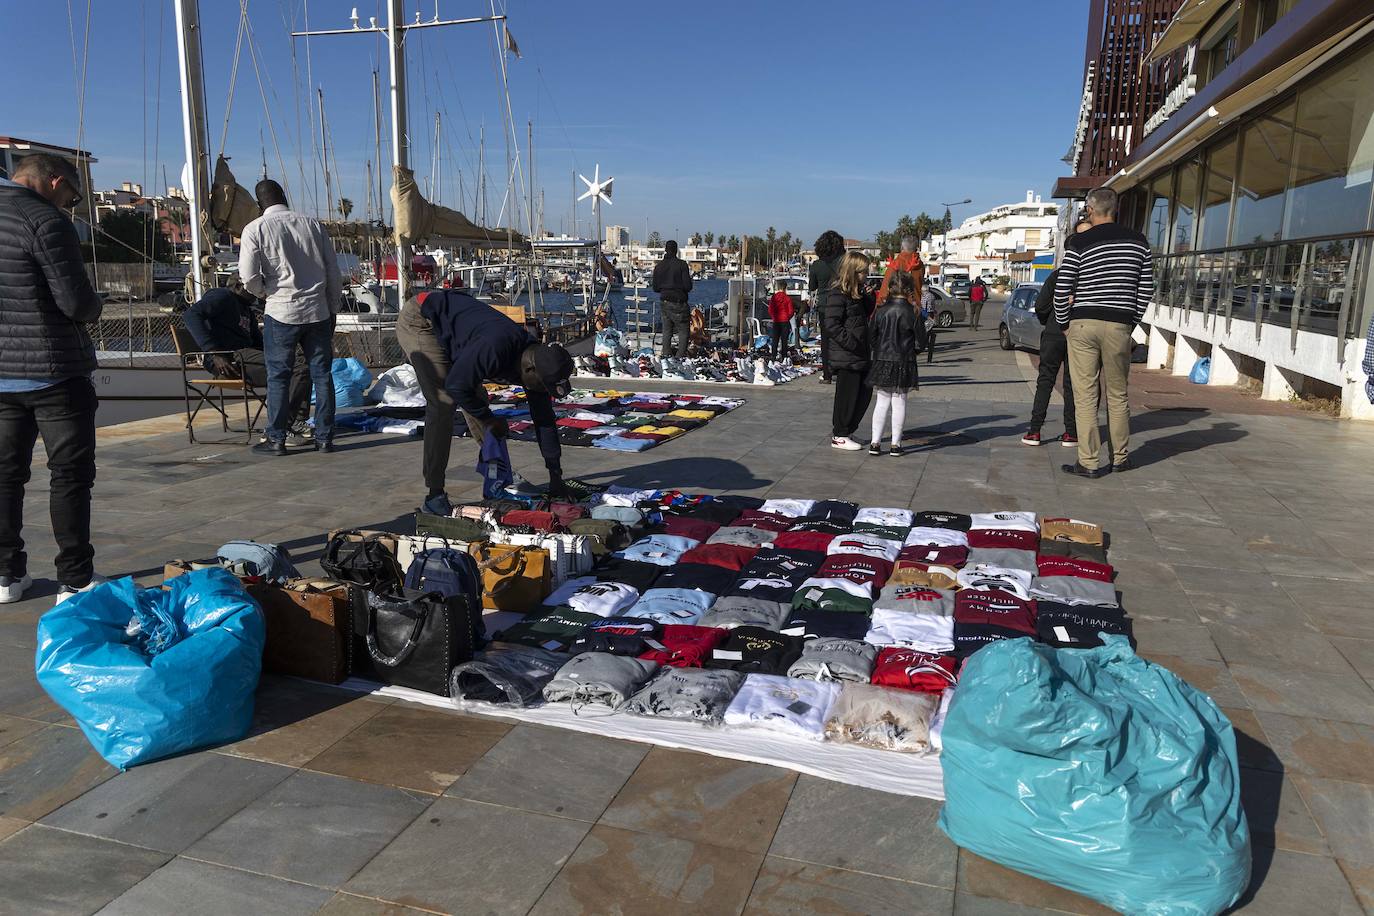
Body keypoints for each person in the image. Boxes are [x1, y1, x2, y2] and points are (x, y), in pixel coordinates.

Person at [0, 153, 105, 604]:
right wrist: (95, 304)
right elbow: (76, 304)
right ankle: (75, 578)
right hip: (54, 371)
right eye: (72, 195)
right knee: (69, 476)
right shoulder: (44, 220)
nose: (71, 204)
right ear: (55, 181)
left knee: (5, 476)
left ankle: (5, 576)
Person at [396, 288, 575, 514]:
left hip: (456, 325)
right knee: (444, 402)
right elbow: (456, 385)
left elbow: (544, 420)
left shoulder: (538, 366)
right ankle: (435, 494)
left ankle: (498, 474)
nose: (540, 391)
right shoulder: (495, 348)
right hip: (422, 320)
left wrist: (555, 475)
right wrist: (488, 418)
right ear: (529, 369)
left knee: (476, 400)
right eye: (542, 387)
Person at [237, 178, 342, 456]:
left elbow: (247, 277)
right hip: (317, 311)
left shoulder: (255, 229)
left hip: (281, 312)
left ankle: (277, 438)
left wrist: (267, 292)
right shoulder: (314, 225)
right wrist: (333, 308)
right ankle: (324, 438)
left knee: (279, 377)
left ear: (260, 204)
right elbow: (333, 270)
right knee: (322, 375)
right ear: (284, 195)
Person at [1054, 187, 1153, 478]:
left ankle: (1089, 461)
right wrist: (1130, 321)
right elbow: (1145, 288)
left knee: (1085, 395)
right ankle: (1120, 458)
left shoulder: (1080, 242)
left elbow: (1063, 287)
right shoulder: (1139, 242)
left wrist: (1064, 322)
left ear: (1090, 209)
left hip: (1083, 323)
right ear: (1116, 209)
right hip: (1119, 323)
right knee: (1118, 394)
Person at [180, 276, 313, 442]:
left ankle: (297, 421)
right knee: (297, 368)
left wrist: (284, 352)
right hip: (229, 358)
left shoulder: (246, 310)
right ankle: (281, 427)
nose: (259, 291)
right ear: (238, 286)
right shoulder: (222, 296)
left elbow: (259, 343)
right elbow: (191, 315)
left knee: (303, 361)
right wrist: (214, 352)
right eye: (254, 287)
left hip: (245, 356)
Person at [1022, 219, 1092, 448]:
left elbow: (1041, 306)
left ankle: (1034, 431)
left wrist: (1050, 320)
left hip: (1053, 332)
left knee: (1045, 380)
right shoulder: (1091, 279)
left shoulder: (1057, 276)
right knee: (1072, 383)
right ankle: (1071, 433)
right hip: (1078, 333)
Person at [866, 269, 928, 457]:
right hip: (904, 360)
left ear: (890, 288)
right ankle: (895, 444)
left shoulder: (880, 310)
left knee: (881, 402)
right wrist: (912, 351)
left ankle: (875, 442)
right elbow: (921, 342)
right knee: (899, 403)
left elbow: (872, 337)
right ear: (909, 289)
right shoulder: (914, 312)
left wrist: (880, 351)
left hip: (883, 359)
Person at [823, 251, 874, 450]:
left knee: (864, 392)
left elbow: (865, 314)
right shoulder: (837, 293)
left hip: (859, 351)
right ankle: (840, 433)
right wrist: (851, 342)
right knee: (848, 395)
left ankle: (848, 430)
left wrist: (868, 296)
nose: (866, 275)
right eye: (863, 272)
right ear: (853, 272)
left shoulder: (857, 293)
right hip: (847, 353)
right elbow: (831, 325)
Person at [809, 230, 845, 383]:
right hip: (842, 303)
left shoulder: (817, 265)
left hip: (825, 305)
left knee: (826, 340)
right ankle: (841, 369)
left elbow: (812, 287)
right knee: (841, 339)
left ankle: (827, 374)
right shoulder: (844, 263)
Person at [652, 240, 693, 361]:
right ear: (676, 251)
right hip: (679, 302)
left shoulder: (658, 267)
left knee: (667, 330)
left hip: (664, 301)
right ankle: (680, 357)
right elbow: (688, 286)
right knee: (683, 330)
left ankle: (666, 356)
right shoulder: (682, 265)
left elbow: (655, 288)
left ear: (665, 250)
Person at [877, 236, 926, 305]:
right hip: (915, 307)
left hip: (895, 307)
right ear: (916, 249)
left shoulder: (895, 265)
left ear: (901, 248)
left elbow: (884, 292)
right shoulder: (920, 266)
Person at [766, 279, 794, 362]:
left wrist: (774, 317)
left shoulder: (774, 297)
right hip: (785, 320)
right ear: (785, 288)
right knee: (784, 340)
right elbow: (791, 311)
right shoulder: (787, 298)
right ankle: (784, 357)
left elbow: (770, 310)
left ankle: (773, 356)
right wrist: (787, 317)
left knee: (775, 340)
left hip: (776, 320)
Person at [920, 281, 938, 364]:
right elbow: (934, 307)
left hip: (926, 314)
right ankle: (927, 344)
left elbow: (923, 307)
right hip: (931, 313)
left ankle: (924, 345)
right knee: (929, 330)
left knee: (924, 330)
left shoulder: (924, 297)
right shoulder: (932, 295)